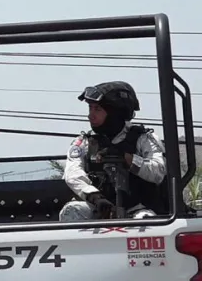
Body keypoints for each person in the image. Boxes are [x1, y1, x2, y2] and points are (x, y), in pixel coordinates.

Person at [59, 81, 167, 221]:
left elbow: (159, 172)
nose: (90, 115)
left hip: (138, 209)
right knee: (71, 212)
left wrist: (127, 159)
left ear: (115, 112)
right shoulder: (85, 142)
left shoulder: (144, 139)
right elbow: (72, 174)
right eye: (90, 108)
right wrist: (96, 198)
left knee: (146, 220)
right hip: (100, 208)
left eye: (97, 109)